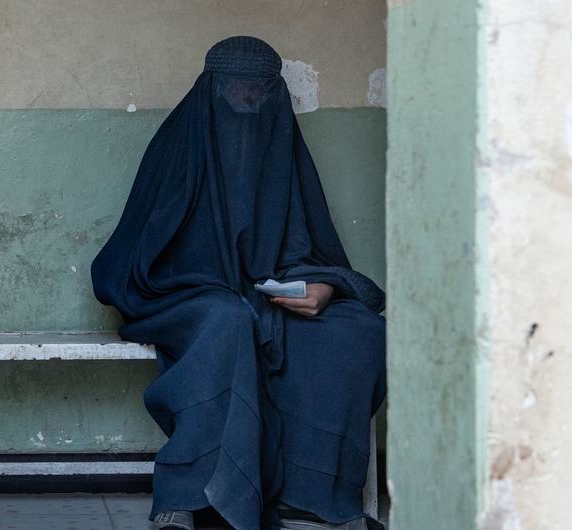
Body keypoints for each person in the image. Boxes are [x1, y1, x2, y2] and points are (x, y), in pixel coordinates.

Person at [91, 36, 386, 530]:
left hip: (263, 293)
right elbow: (138, 256)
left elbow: (308, 248)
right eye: (236, 91)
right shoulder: (176, 149)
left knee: (356, 331)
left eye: (261, 94)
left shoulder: (282, 151)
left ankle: (310, 491)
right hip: (182, 295)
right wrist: (216, 282)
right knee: (226, 322)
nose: (248, 105)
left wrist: (323, 288)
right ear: (212, 90)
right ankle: (187, 496)